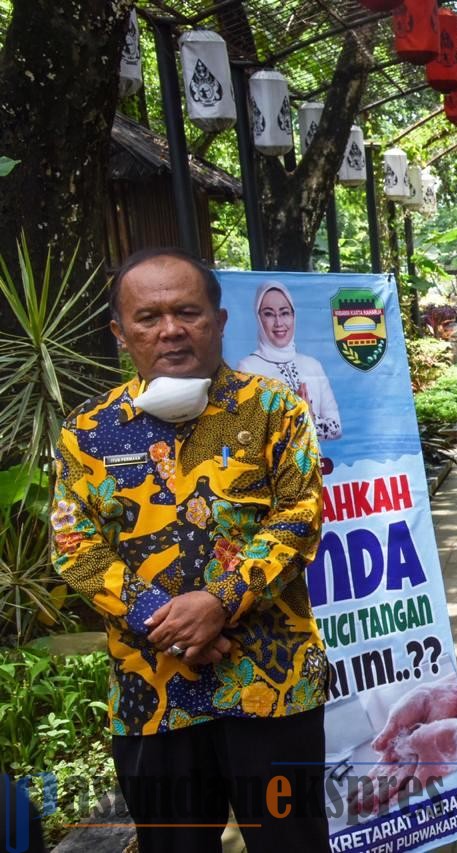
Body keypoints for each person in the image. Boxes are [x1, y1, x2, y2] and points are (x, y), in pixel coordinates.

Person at [50, 248, 329, 852]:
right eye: (148, 317)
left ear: (220, 321)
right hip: (153, 694)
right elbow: (75, 547)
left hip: (272, 687)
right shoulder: (88, 431)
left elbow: (299, 517)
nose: (170, 330)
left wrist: (221, 600)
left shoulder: (275, 411)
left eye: (188, 312)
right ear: (119, 333)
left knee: (295, 844)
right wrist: (169, 621)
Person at [236, 280, 343, 440]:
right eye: (269, 314)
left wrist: (312, 420)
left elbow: (336, 428)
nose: (279, 322)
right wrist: (295, 418)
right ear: (258, 318)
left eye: (285, 312)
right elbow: (245, 433)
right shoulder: (247, 368)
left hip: (315, 463)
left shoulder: (312, 365)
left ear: (294, 316)